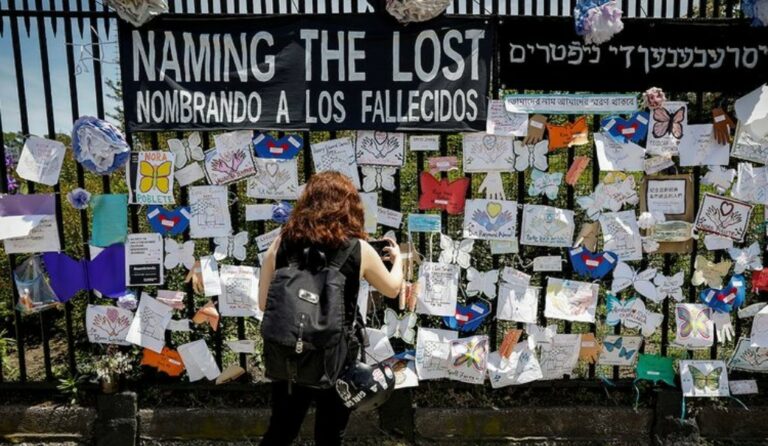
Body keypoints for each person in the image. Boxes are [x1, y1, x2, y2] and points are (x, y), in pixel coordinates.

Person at [257, 171, 404, 446]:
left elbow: (264, 303)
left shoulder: (281, 244)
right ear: (350, 208)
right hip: (336, 357)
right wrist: (398, 260)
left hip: (290, 355)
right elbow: (393, 288)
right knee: (329, 435)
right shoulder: (357, 249)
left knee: (280, 431)